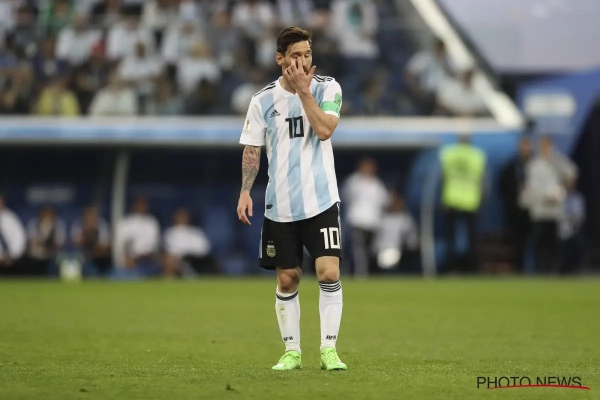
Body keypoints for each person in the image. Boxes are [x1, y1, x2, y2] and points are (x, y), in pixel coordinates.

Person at [236, 27, 346, 371]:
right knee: (287, 279)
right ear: (279, 59)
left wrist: (304, 93)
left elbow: (325, 129)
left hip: (321, 200)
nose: (302, 62)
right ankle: (292, 352)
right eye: (295, 55)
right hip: (280, 204)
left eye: (307, 54)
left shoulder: (327, 88)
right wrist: (245, 190)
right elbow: (252, 149)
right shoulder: (262, 100)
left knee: (328, 271)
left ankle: (329, 350)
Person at [440, 134, 487, 274]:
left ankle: (451, 267)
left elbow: (443, 178)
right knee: (472, 237)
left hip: (451, 199)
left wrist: (442, 199)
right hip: (471, 200)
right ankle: (471, 268)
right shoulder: (477, 155)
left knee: (450, 237)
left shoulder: (449, 153)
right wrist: (482, 200)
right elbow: (482, 180)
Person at [342, 157, 389, 276]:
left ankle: (370, 273)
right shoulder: (353, 181)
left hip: (373, 223)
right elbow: (346, 196)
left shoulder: (377, 183)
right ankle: (360, 274)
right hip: (357, 221)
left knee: (370, 250)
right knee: (358, 251)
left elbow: (384, 201)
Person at [499, 136, 533, 273]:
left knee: (533, 239)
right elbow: (502, 186)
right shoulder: (511, 167)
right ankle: (519, 268)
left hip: (532, 209)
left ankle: (535, 268)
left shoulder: (536, 165)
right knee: (516, 240)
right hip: (515, 210)